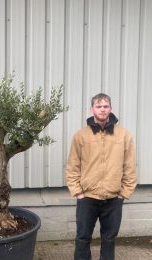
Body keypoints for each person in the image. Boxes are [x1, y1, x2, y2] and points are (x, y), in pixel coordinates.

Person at [65, 93, 137, 260]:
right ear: (92, 109)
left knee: (109, 239)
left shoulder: (124, 135)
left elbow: (130, 167)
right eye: (99, 106)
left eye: (105, 106)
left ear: (110, 108)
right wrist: (78, 193)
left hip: (113, 199)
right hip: (87, 198)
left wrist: (122, 194)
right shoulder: (81, 136)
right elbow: (72, 166)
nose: (102, 109)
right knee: (82, 238)